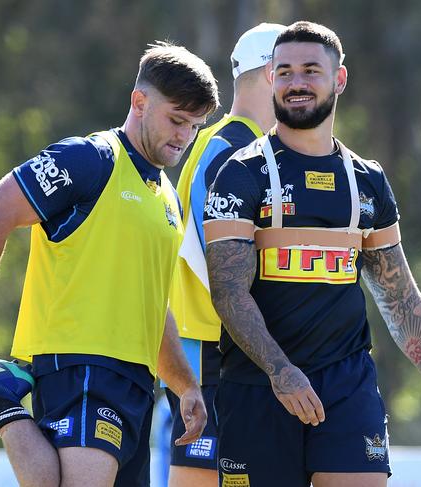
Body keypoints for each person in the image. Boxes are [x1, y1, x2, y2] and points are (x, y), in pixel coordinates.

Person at [203, 21, 421, 487]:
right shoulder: (241, 173)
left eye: (311, 70)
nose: (297, 82)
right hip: (258, 387)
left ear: (339, 79)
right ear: (271, 78)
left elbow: (398, 295)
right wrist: (282, 372)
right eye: (286, 71)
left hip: (346, 387)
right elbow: (228, 293)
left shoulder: (367, 180)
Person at [0, 42, 219, 487]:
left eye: (195, 125)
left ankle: (2, 399)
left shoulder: (166, 196)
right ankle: (2, 402)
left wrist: (185, 386)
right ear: (140, 102)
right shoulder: (90, 159)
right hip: (81, 365)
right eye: (177, 120)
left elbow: (152, 304)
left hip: (136, 385)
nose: (184, 135)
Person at [166, 23, 285, 487]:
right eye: (294, 74)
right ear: (272, 74)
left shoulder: (225, 144)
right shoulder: (233, 149)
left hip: (223, 350)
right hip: (217, 353)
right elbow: (218, 264)